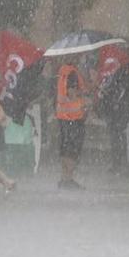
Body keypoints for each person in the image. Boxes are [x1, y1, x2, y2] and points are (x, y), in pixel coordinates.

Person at [55, 56, 90, 190]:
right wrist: (84, 98)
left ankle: (64, 179)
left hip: (63, 117)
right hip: (74, 118)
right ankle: (68, 179)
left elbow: (61, 94)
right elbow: (71, 93)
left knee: (65, 150)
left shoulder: (62, 72)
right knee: (72, 151)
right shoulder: (72, 73)